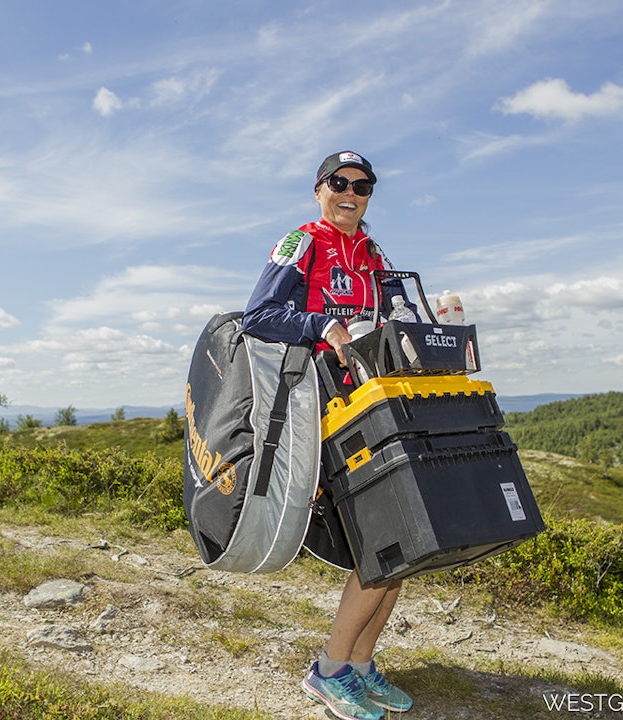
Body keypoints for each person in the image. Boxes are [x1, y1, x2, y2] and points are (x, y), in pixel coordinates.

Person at [242, 151, 416, 720]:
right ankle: (329, 671)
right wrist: (322, 324)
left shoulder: (374, 253)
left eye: (363, 187)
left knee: (402, 549)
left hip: (374, 403)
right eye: (339, 184)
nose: (351, 194)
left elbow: (397, 319)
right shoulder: (302, 242)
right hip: (321, 407)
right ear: (319, 189)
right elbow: (259, 316)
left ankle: (361, 668)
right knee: (380, 544)